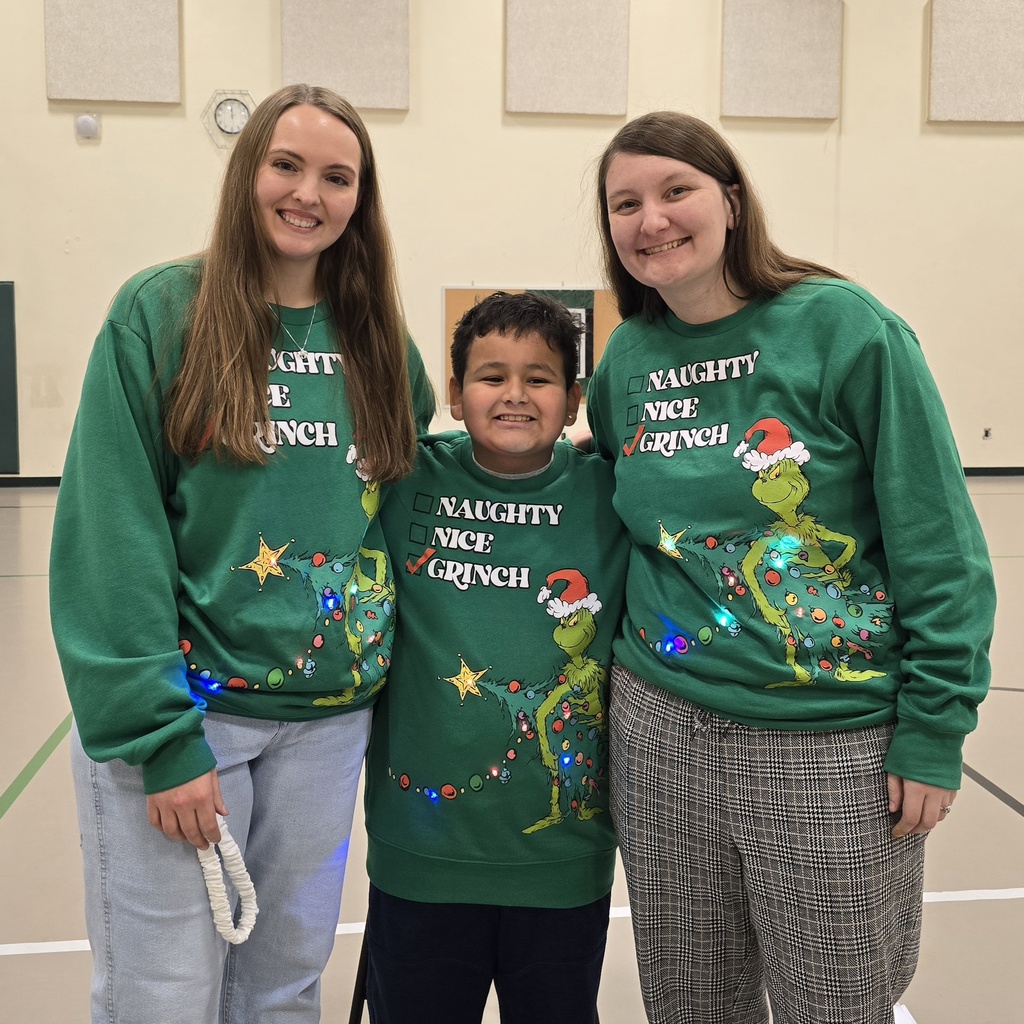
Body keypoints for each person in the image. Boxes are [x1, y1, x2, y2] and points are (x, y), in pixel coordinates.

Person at [585, 111, 997, 1024]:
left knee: (838, 1000)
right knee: (692, 1001)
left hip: (827, 739)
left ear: (730, 199)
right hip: (659, 731)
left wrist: (934, 729)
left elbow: (940, 545)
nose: (651, 219)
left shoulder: (844, 328)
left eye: (675, 191)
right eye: (625, 203)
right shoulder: (626, 361)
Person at [49, 84, 434, 1024]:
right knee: (165, 994)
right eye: (287, 165)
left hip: (327, 724)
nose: (310, 194)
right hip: (190, 723)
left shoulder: (379, 342)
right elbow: (113, 531)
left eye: (337, 177)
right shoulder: (162, 311)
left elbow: (407, 505)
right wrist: (160, 734)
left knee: (282, 991)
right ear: (247, 171)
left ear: (360, 198)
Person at [362, 291, 629, 1024]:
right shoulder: (405, 481)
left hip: (563, 860)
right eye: (490, 376)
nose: (515, 394)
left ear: (574, 400)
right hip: (420, 858)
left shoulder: (612, 495)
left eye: (540, 378)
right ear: (452, 394)